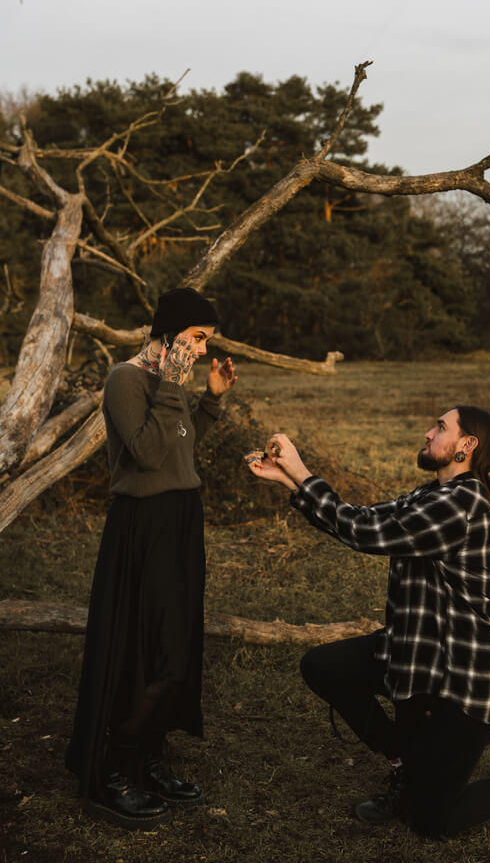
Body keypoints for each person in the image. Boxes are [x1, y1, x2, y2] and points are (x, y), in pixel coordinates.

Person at [246, 406, 490, 841]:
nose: (427, 433)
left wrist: (301, 470)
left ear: (467, 445)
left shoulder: (461, 503)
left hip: (460, 685)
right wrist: (289, 480)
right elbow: (361, 517)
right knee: (323, 666)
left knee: (430, 822)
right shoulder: (432, 495)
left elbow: (365, 532)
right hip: (415, 656)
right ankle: (407, 760)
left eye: (440, 427)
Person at [66, 287, 237, 830]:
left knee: (174, 644)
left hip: (182, 519)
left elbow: (179, 449)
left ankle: (149, 758)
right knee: (143, 646)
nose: (201, 348)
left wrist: (208, 399)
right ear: (168, 334)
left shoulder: (171, 382)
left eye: (205, 339)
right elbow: (145, 453)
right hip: (142, 526)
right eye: (195, 337)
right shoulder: (127, 379)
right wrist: (171, 385)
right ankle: (114, 769)